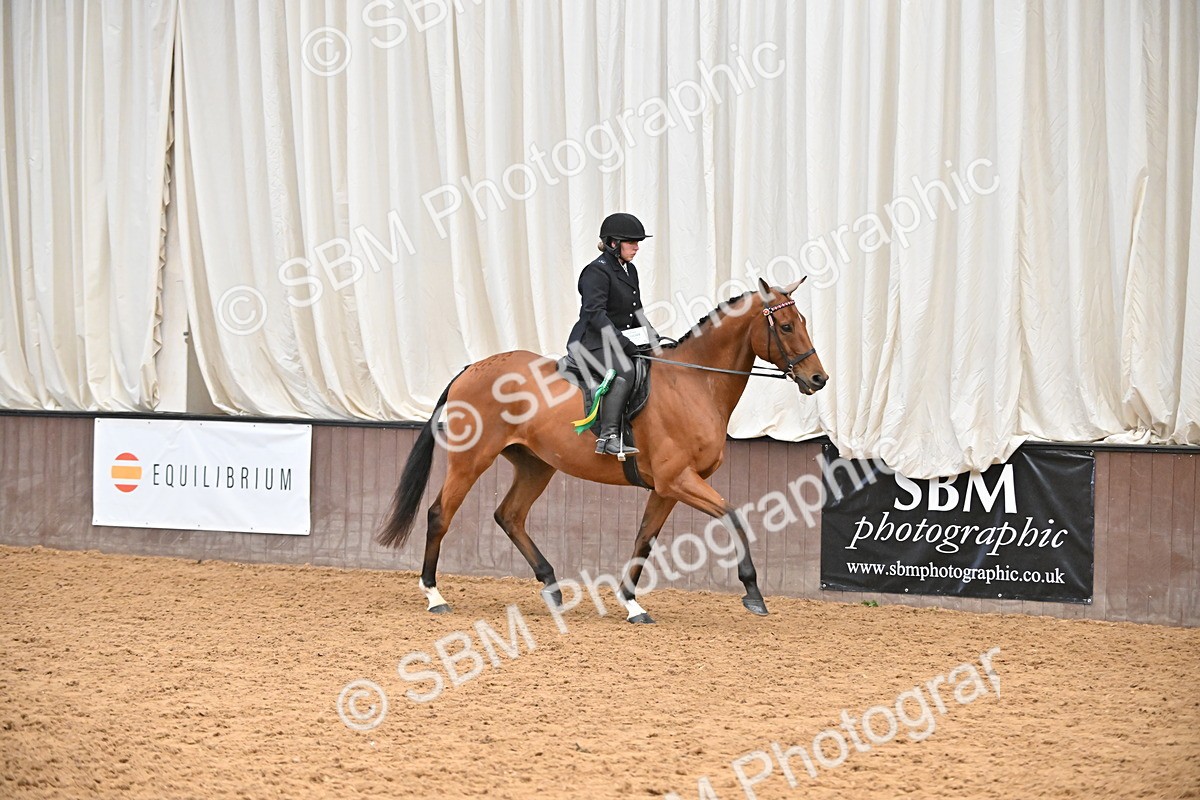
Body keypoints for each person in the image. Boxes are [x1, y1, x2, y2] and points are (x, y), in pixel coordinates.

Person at [566, 212, 657, 457]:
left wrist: (653, 338)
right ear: (614, 243)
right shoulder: (596, 272)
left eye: (638, 243)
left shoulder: (630, 270)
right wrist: (623, 343)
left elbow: (636, 311)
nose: (637, 248)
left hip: (618, 339)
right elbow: (595, 314)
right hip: (591, 342)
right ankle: (608, 437)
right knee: (624, 370)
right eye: (632, 242)